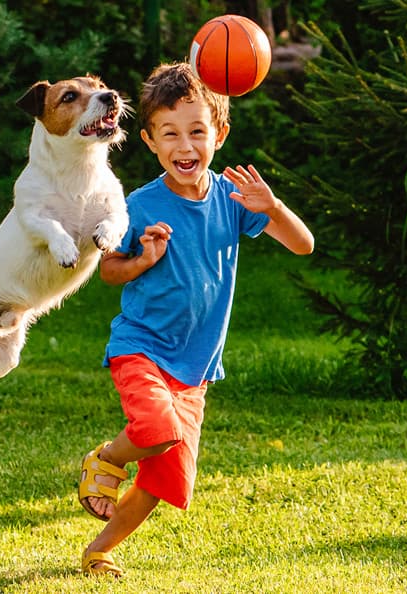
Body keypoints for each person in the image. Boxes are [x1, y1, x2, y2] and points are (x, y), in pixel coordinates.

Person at [73, 62, 315, 577]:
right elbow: (109, 270)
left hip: (194, 369)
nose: (185, 146)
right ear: (150, 141)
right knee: (155, 429)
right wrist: (142, 260)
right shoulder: (138, 205)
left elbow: (302, 244)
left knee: (165, 482)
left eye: (197, 131)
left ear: (219, 134)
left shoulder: (235, 200)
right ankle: (107, 460)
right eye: (170, 134)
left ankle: (100, 550)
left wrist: (272, 206)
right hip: (142, 347)